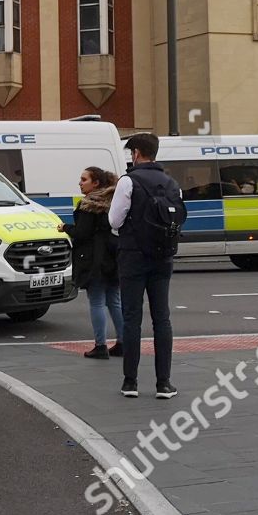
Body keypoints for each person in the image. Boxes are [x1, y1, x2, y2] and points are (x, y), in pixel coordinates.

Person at [108, 133, 184, 400]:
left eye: (131, 152)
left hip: (132, 256)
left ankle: (131, 382)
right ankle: (164, 383)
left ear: (137, 153)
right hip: (163, 256)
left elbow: (115, 221)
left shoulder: (128, 181)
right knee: (162, 318)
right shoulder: (172, 183)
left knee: (132, 318)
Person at [65, 166, 122, 360]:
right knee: (114, 300)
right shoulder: (114, 201)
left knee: (96, 300)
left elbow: (82, 233)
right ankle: (124, 342)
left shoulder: (89, 204)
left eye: (84, 179)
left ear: (96, 183)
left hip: (93, 258)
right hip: (113, 256)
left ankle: (100, 345)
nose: (80, 183)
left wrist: (65, 228)